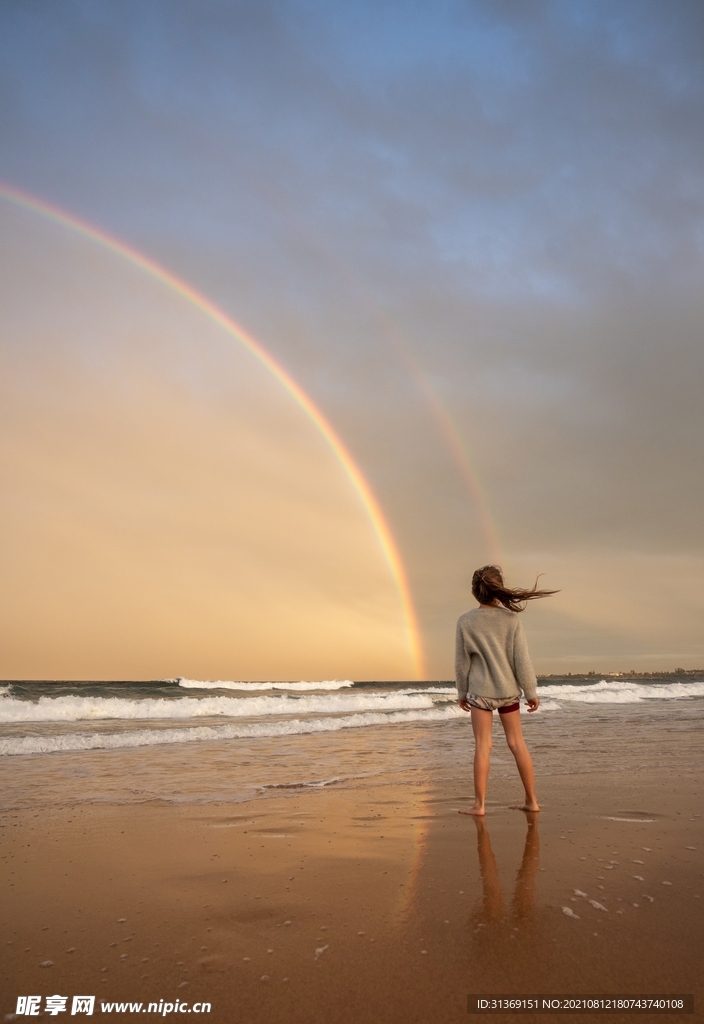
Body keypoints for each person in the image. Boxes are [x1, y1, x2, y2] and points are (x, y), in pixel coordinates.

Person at [455, 565, 557, 816]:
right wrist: (530, 691)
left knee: (483, 746)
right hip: (509, 692)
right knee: (517, 744)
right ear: (498, 590)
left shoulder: (465, 621)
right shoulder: (512, 620)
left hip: (480, 693)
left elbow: (462, 662)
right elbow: (521, 659)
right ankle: (531, 801)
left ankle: (479, 806)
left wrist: (461, 692)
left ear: (474, 592)